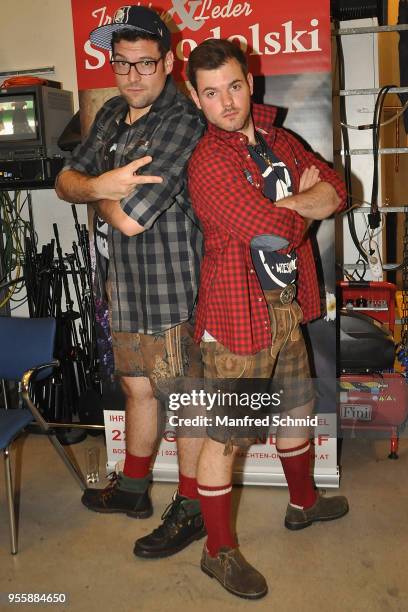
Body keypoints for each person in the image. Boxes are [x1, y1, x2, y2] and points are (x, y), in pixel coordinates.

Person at [186, 39, 349, 599]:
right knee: (226, 438)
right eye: (211, 93)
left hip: (286, 307)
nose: (227, 102)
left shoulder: (281, 140)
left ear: (249, 81)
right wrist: (306, 201)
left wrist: (311, 197)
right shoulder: (208, 163)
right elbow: (275, 231)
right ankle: (216, 552)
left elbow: (339, 189)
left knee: (298, 408)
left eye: (233, 85)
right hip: (236, 318)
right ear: (197, 97)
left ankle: (303, 502)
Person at [56, 6, 206, 559]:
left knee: (185, 399)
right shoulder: (114, 113)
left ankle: (191, 507)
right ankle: (136, 489)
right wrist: (101, 183)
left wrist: (95, 189)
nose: (132, 76)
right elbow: (64, 180)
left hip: (173, 286)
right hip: (124, 284)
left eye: (145, 64)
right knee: (136, 388)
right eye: (122, 64)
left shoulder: (182, 121)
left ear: (169, 61)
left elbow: (129, 217)